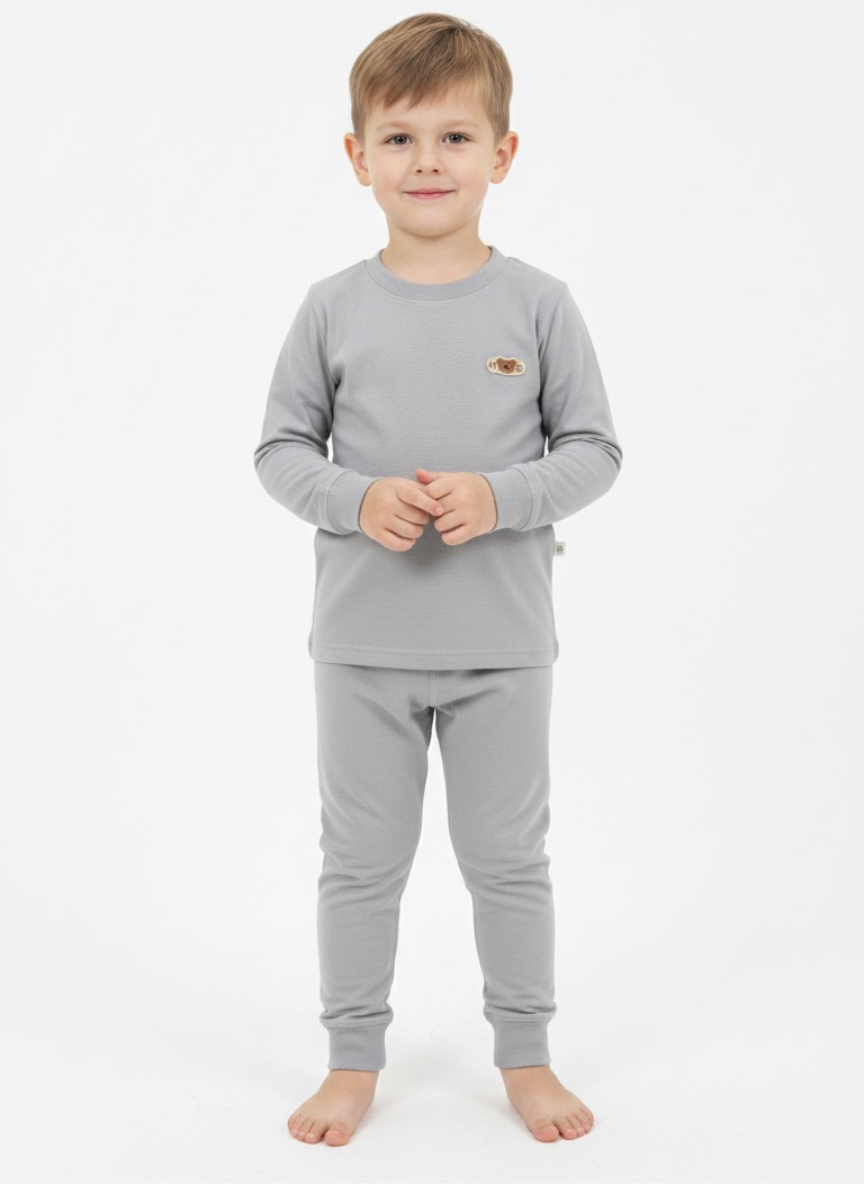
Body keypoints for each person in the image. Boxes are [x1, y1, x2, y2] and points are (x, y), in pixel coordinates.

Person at [252, 11, 623, 1148]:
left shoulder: (540, 303)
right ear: (357, 156)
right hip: (362, 648)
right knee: (360, 865)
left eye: (455, 137)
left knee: (508, 862)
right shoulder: (331, 306)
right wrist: (355, 499)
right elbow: (280, 451)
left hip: (503, 648)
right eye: (400, 138)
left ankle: (526, 1053)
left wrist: (500, 496)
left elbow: (594, 450)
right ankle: (351, 1059)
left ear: (501, 155)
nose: (427, 161)